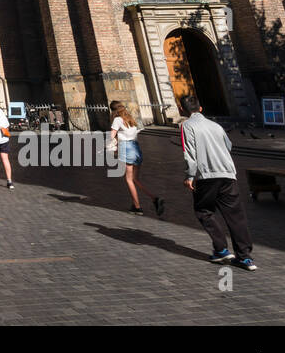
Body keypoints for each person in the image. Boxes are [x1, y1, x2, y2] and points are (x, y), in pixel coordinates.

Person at [180, 93, 256, 270]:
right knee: (235, 215)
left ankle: (221, 248)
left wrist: (189, 176)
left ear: (182, 109)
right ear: (200, 108)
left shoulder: (187, 126)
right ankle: (245, 257)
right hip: (228, 174)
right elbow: (228, 146)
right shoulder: (216, 125)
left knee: (203, 210)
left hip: (207, 174)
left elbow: (189, 152)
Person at [108, 100, 164, 216]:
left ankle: (137, 207)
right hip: (136, 148)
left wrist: (109, 146)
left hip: (127, 148)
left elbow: (111, 135)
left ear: (113, 110)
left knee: (129, 179)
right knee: (135, 179)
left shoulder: (117, 120)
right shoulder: (130, 119)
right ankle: (153, 198)